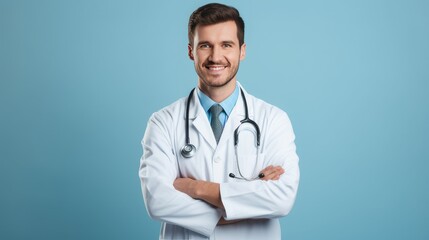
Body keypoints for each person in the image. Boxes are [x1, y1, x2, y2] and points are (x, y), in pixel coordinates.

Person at [139, 3, 300, 239]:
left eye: (226, 45)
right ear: (191, 51)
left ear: (242, 51)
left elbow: (281, 198)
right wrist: (242, 204)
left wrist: (196, 188)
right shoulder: (163, 122)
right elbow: (157, 200)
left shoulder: (273, 119)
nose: (216, 57)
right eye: (205, 45)